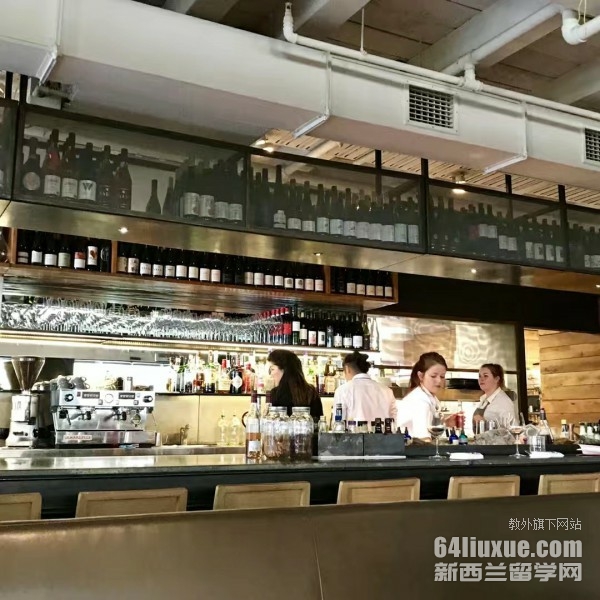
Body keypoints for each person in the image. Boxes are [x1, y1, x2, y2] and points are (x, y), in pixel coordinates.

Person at [333, 350, 397, 425]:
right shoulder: (387, 391)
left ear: (347, 369)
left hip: (354, 432)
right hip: (383, 432)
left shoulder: (342, 391)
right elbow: (394, 422)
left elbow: (338, 424)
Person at [396, 352, 448, 439]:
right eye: (433, 376)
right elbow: (423, 440)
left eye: (442, 376)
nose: (439, 381)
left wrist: (447, 423)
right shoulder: (420, 401)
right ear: (420, 376)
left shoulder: (429, 396)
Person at [267, 349, 323, 420]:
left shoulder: (276, 393)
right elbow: (319, 421)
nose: (271, 374)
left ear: (284, 370)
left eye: (272, 369)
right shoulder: (311, 392)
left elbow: (272, 422)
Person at [473, 363, 515, 428]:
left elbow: (510, 429)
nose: (481, 379)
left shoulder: (503, 401)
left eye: (485, 376)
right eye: (480, 376)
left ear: (496, 379)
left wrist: (485, 424)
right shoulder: (484, 400)